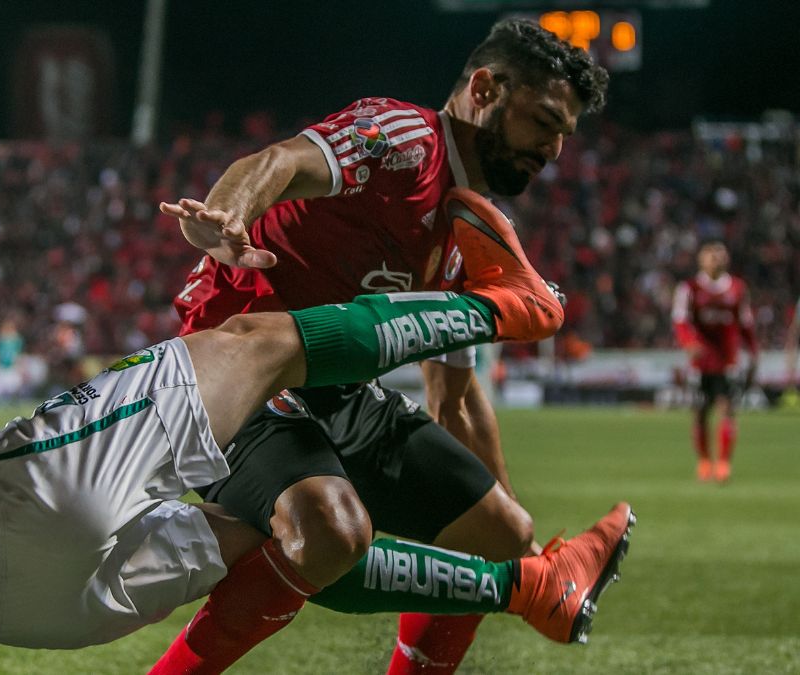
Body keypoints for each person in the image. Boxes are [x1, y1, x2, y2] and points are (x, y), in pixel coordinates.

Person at [0, 184, 632, 673]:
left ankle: (527, 588)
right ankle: (512, 309)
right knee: (262, 341)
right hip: (0, 498)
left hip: (12, 613)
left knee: (294, 545)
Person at [153, 18, 609, 674]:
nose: (555, 148)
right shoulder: (402, 140)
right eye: (544, 121)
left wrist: (528, 550)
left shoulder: (471, 231)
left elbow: (453, 396)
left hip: (337, 391)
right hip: (236, 379)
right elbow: (273, 162)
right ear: (483, 87)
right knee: (330, 530)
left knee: (502, 538)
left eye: (564, 133)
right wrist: (225, 218)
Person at [671, 239, 758, 483]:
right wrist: (689, 342)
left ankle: (723, 464)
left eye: (720, 254)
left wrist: (753, 353)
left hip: (727, 360)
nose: (716, 259)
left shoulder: (738, 288)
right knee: (700, 412)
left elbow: (746, 324)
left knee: (727, 409)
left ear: (727, 259)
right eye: (711, 255)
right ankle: (704, 461)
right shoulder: (689, 288)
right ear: (701, 259)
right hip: (700, 361)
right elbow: (680, 320)